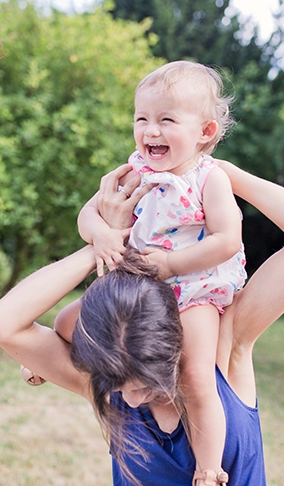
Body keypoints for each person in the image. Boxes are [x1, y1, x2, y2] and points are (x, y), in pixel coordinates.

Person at [0, 161, 284, 485]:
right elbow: (2, 322)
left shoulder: (221, 351)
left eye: (147, 386)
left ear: (173, 344)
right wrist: (105, 242)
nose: (133, 401)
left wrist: (217, 173)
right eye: (121, 387)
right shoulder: (109, 381)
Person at [52, 61, 246, 482]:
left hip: (193, 286)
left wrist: (173, 264)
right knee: (67, 324)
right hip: (137, 284)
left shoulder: (209, 179)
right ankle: (46, 364)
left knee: (196, 376)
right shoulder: (133, 171)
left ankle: (209, 468)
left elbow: (228, 239)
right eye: (142, 119)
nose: (150, 131)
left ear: (205, 133)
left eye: (166, 120)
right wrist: (101, 236)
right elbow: (87, 214)